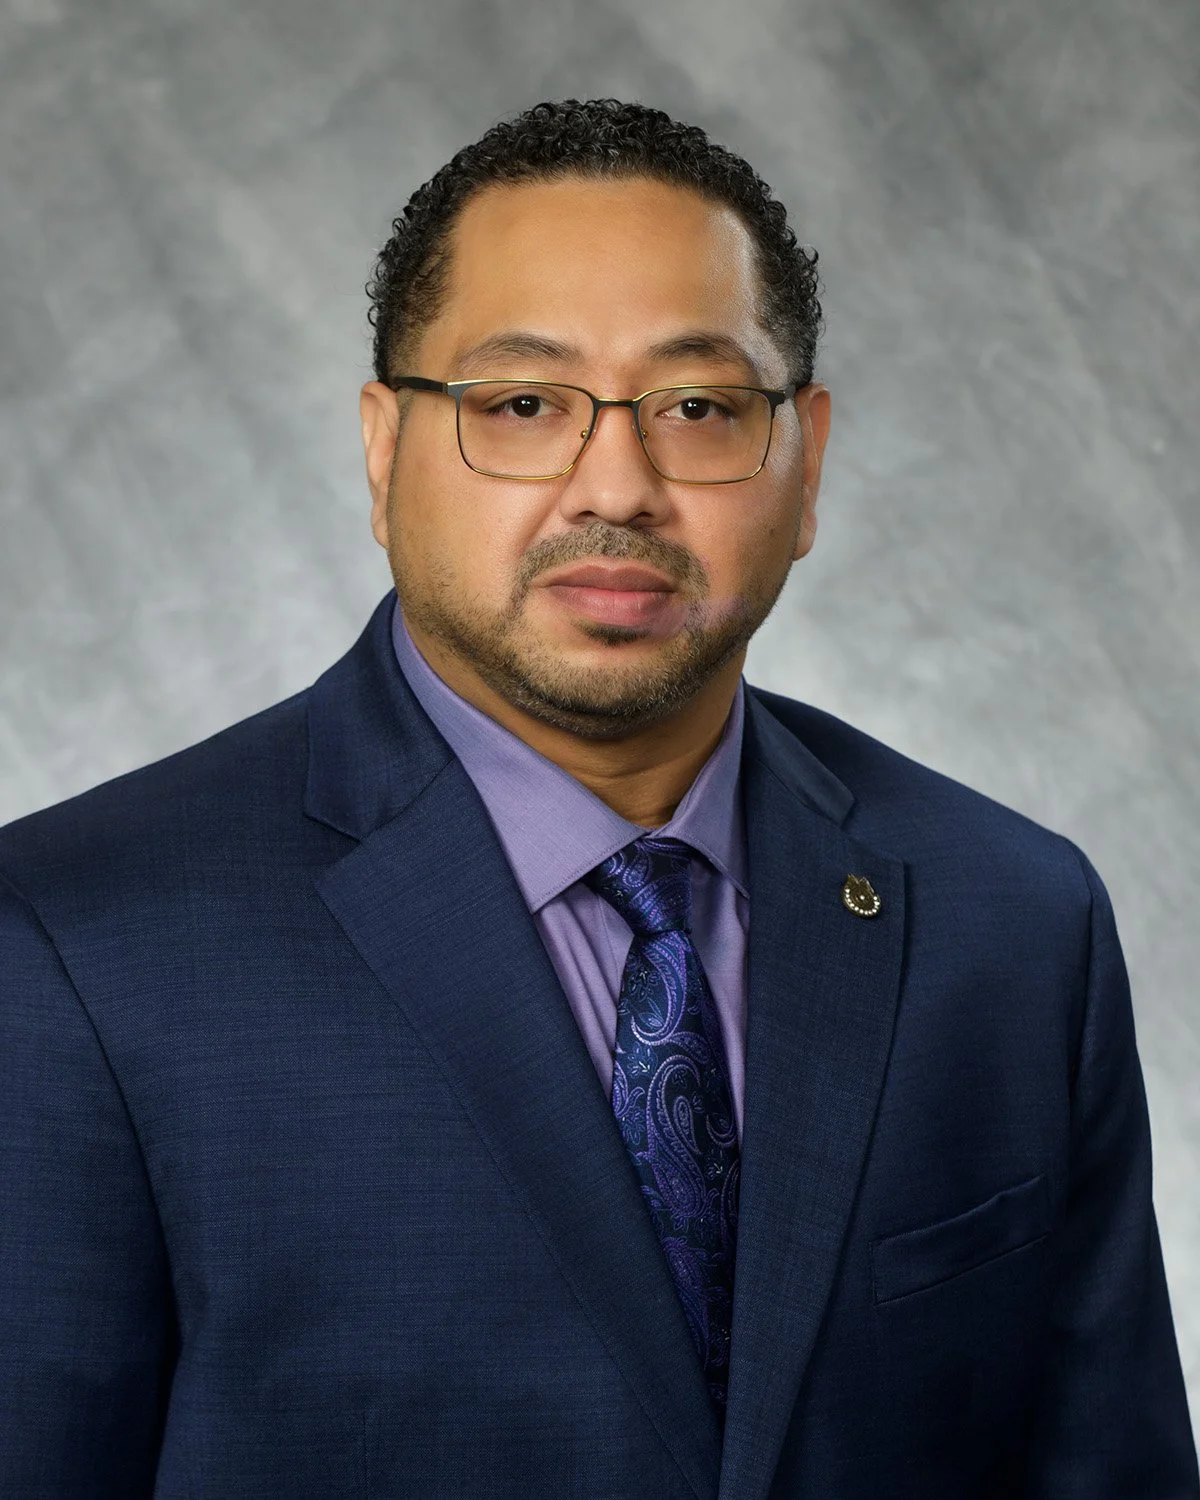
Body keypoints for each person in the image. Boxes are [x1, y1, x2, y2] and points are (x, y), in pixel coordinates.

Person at [0, 97, 1195, 1500]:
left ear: (804, 460)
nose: (617, 484)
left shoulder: (1014, 922)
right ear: (384, 452)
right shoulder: (71, 950)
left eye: (699, 407)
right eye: (521, 406)